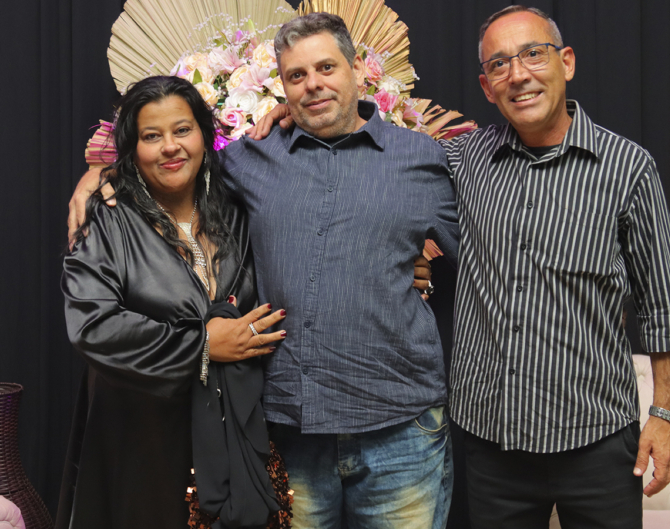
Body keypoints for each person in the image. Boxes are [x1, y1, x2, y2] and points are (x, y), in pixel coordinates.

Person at [67, 13, 458, 529]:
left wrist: (416, 263)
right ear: (282, 87)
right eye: (297, 75)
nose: (313, 84)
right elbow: (171, 166)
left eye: (325, 68)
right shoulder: (248, 160)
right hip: (291, 430)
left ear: (358, 70)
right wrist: (99, 175)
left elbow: (480, 255)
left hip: (400, 428)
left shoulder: (423, 158)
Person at [440, 6, 670, 528]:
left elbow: (663, 306)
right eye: (499, 64)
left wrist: (664, 416)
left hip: (598, 443)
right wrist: (284, 113)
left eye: (533, 54)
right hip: (493, 442)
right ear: (487, 87)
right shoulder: (463, 160)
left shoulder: (628, 168)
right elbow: (381, 158)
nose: (518, 74)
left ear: (567, 62)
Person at [58, 76, 291, 529]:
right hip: (142, 443)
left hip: (236, 433)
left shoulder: (239, 208)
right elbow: (92, 325)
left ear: (204, 134)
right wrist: (201, 344)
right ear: (132, 147)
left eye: (182, 130)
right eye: (152, 136)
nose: (170, 147)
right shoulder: (106, 216)